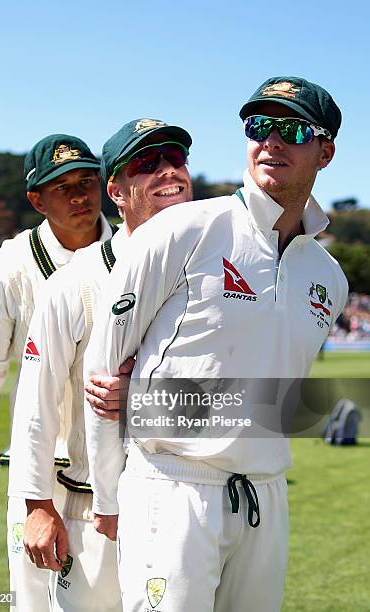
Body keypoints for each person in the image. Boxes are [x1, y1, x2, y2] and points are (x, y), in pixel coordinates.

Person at [84, 77, 349, 612]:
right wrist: (108, 497)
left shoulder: (329, 278)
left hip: (266, 494)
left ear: (326, 152)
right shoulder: (185, 229)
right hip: (173, 488)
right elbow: (104, 371)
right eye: (259, 126)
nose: (271, 141)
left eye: (292, 129)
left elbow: (278, 389)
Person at [7, 119, 193, 611]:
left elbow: (256, 395)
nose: (168, 171)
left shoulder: (214, 273)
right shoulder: (74, 283)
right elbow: (36, 401)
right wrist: (37, 505)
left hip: (188, 502)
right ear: (115, 190)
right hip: (91, 509)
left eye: (176, 159)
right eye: (146, 163)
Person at [0, 133, 114, 611]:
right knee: (33, 603)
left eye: (87, 181)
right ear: (36, 198)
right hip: (39, 475)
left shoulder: (136, 251)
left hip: (117, 471)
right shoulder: (10, 267)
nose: (79, 196)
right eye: (61, 186)